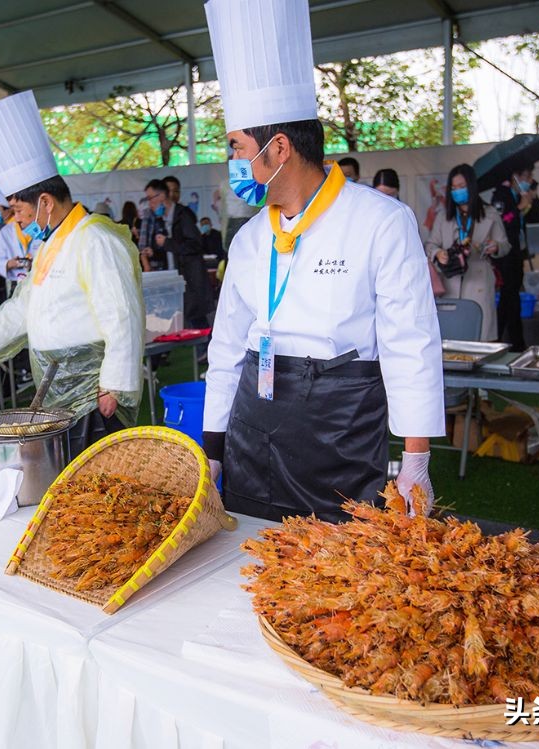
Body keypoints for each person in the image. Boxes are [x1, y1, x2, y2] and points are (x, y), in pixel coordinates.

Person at [202, 0, 443, 522]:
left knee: (336, 565)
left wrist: (416, 458)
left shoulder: (381, 220)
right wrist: (213, 449)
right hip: (252, 416)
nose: (232, 161)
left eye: (237, 147)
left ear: (279, 148)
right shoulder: (247, 239)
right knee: (243, 554)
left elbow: (411, 341)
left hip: (339, 423)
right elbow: (225, 349)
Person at [0, 90, 144, 456]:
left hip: (92, 392)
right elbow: (23, 305)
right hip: (57, 389)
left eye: (20, 212)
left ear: (44, 201)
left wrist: (113, 385)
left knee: (99, 478)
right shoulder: (50, 244)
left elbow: (122, 315)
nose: (19, 222)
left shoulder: (96, 239)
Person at [426, 164, 510, 341]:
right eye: (454, 188)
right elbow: (430, 244)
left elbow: (505, 245)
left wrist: (495, 246)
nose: (457, 191)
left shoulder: (490, 213)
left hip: (478, 277)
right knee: (453, 335)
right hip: (450, 279)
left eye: (462, 187)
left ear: (471, 186)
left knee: (479, 334)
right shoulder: (444, 216)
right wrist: (438, 253)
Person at [490, 159, 539, 351]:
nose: (529, 180)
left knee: (510, 297)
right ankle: (515, 341)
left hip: (517, 252)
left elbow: (535, 216)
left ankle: (505, 339)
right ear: (515, 177)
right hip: (504, 255)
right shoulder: (501, 195)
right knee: (509, 296)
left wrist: (532, 200)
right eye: (526, 176)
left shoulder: (522, 195)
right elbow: (501, 221)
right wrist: (519, 207)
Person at [146, 178, 208, 328]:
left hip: (190, 280)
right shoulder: (162, 220)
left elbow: (195, 245)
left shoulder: (183, 215)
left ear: (161, 196)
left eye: (150, 198)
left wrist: (167, 243)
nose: (149, 203)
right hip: (176, 280)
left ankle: (205, 351)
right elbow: (170, 251)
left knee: (197, 322)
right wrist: (154, 252)